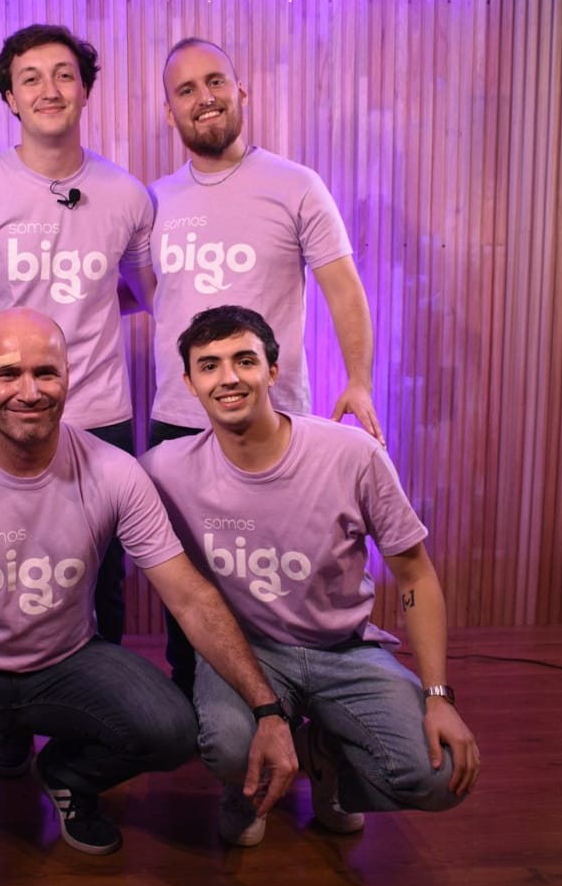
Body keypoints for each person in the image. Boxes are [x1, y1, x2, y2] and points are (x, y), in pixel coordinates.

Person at [0, 308, 296, 879]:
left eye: (45, 373)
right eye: (9, 374)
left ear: (68, 377)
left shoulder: (112, 471)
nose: (29, 391)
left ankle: (67, 775)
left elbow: (189, 596)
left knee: (173, 730)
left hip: (67, 660)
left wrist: (267, 708)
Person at [0, 23, 155, 770]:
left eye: (64, 74)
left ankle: (79, 743)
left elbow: (144, 291)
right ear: (10, 98)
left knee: (101, 585)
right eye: (31, 78)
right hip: (5, 420)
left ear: (86, 89)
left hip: (100, 418)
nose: (49, 89)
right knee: (4, 579)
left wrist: (86, 316)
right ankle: (11, 719)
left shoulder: (126, 194)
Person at [140, 305, 480, 848]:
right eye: (209, 365)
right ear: (189, 383)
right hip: (248, 651)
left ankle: (328, 759)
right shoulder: (164, 467)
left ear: (273, 371)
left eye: (244, 360)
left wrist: (439, 696)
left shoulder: (352, 455)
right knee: (227, 747)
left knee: (440, 775)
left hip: (343, 648)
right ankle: (247, 786)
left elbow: (415, 575)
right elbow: (88, 479)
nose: (228, 378)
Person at [145, 36, 385, 695]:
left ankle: (294, 702)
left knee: (282, 577)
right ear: (170, 112)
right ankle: (202, 707)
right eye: (186, 90)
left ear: (241, 92)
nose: (204, 98)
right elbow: (138, 293)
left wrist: (359, 381)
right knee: (189, 580)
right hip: (180, 421)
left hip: (274, 421)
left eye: (215, 81)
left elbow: (344, 288)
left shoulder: (295, 184)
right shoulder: (153, 203)